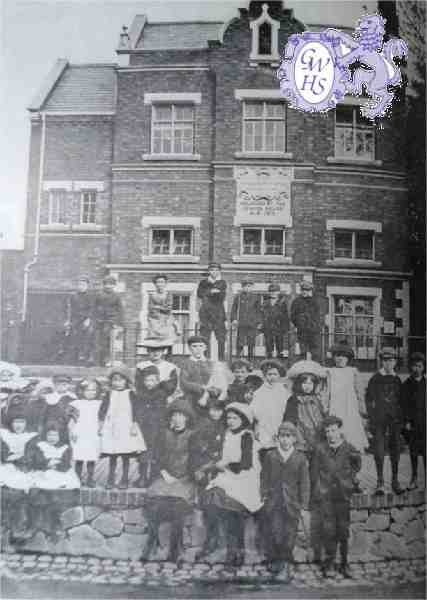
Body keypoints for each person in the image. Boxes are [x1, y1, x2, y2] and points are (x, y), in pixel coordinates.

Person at [201, 402, 262, 567]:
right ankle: (216, 542)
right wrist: (215, 464)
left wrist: (224, 465)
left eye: (235, 418)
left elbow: (246, 463)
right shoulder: (226, 434)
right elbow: (219, 454)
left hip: (244, 477)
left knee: (232, 507)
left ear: (242, 420)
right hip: (227, 475)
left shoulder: (246, 436)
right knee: (211, 497)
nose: (231, 421)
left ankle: (237, 551)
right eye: (228, 417)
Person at [141, 397, 196, 563]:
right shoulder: (164, 434)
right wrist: (163, 472)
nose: (177, 419)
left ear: (187, 418)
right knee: (153, 501)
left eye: (181, 415)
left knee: (178, 505)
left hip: (185, 478)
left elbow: (196, 460)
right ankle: (151, 543)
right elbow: (157, 456)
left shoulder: (193, 435)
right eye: (174, 415)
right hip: (166, 476)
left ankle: (175, 548)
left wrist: (187, 476)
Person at [311, 416, 362, 578]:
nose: (331, 434)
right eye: (328, 431)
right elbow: (314, 472)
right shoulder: (320, 449)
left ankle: (345, 563)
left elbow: (357, 464)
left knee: (343, 529)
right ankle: (329, 563)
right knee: (328, 529)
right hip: (326, 495)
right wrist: (318, 489)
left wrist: (350, 480)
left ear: (340, 430)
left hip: (342, 495)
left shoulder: (349, 448)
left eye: (334, 430)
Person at [260, 421, 310, 580]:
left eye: (288, 437)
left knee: (290, 534)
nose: (285, 440)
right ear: (278, 438)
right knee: (276, 532)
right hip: (274, 502)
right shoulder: (271, 456)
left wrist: (304, 504)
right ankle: (277, 560)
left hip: (292, 503)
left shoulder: (300, 458)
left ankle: (285, 565)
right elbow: (264, 477)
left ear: (294, 439)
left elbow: (305, 483)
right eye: (282, 436)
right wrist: (264, 494)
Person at [27, 421, 80, 543]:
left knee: (58, 490)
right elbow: (37, 461)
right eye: (49, 435)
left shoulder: (65, 447)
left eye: (55, 435)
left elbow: (66, 464)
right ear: (45, 435)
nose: (52, 438)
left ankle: (56, 523)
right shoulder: (41, 446)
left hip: (61, 474)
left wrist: (57, 465)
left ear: (60, 436)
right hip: (44, 473)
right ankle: (44, 523)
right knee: (40, 489)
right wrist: (47, 463)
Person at [98, 364, 146, 489]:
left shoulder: (131, 394)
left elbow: (137, 410)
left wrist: (135, 424)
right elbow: (103, 409)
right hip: (112, 427)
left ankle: (124, 479)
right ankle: (110, 479)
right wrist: (101, 424)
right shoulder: (109, 394)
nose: (118, 383)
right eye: (115, 380)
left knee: (125, 454)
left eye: (121, 380)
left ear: (126, 381)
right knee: (112, 455)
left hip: (126, 426)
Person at [191, 394, 226, 561]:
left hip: (221, 469)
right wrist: (200, 468)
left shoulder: (226, 427)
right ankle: (211, 537)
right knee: (205, 496)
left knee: (215, 497)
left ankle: (215, 538)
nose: (215, 413)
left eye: (219, 410)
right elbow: (197, 449)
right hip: (205, 468)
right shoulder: (203, 426)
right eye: (212, 410)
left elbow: (223, 455)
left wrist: (209, 464)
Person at [365, 348, 404, 495]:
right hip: (379, 421)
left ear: (395, 362)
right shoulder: (375, 379)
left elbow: (401, 400)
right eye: (386, 360)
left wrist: (400, 417)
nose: (388, 363)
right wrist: (372, 416)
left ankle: (395, 480)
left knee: (395, 449)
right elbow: (368, 399)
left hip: (394, 421)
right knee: (379, 450)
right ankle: (380, 481)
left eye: (391, 360)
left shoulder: (397, 379)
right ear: (381, 361)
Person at [0, 410, 38, 542]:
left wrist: (20, 460)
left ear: (26, 424)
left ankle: (20, 527)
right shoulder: (5, 435)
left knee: (24, 489)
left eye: (22, 422)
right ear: (11, 423)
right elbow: (3, 453)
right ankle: (13, 527)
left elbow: (32, 455)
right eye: (16, 422)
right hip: (7, 467)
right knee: (9, 489)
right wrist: (8, 458)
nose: (18, 425)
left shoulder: (31, 436)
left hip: (24, 468)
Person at [326, 344, 369, 453]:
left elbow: (360, 393)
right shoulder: (330, 372)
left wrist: (362, 410)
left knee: (351, 433)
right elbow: (326, 392)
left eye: (343, 356)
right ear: (333, 357)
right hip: (335, 407)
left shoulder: (353, 371)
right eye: (337, 356)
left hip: (350, 408)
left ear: (348, 359)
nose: (340, 358)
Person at [133, 364, 170, 488]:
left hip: (157, 428)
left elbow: (160, 411)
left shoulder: (161, 394)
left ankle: (153, 477)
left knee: (156, 453)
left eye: (152, 380)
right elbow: (137, 410)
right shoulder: (140, 394)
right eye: (146, 380)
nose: (149, 383)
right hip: (144, 428)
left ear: (158, 381)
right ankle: (142, 476)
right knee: (143, 453)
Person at [180, 335, 228, 422]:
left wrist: (215, 389)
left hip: (210, 399)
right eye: (194, 346)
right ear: (189, 348)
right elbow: (184, 383)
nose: (198, 349)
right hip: (192, 399)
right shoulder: (185, 364)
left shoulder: (211, 363)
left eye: (201, 346)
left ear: (205, 347)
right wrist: (201, 387)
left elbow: (218, 380)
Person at [68, 378, 103, 488]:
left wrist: (101, 429)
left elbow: (102, 419)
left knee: (91, 457)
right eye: (88, 390)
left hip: (93, 432)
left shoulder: (99, 403)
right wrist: (72, 431)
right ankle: (77, 478)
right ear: (81, 391)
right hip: (80, 432)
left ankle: (90, 478)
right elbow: (71, 420)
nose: (91, 392)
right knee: (79, 456)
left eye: (94, 390)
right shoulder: (76, 403)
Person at [250, 359, 290, 452]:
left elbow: (286, 407)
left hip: (278, 421)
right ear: (264, 376)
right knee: (265, 447)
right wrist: (257, 425)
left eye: (275, 374)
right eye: (269, 374)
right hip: (264, 424)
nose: (272, 377)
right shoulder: (260, 392)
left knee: (279, 446)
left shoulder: (283, 391)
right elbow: (254, 410)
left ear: (279, 375)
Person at [27, 374, 78, 444]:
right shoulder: (49, 398)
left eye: (64, 384)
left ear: (68, 385)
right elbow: (43, 414)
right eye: (58, 385)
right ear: (55, 385)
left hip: (66, 427)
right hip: (50, 427)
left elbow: (75, 415)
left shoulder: (72, 398)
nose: (61, 387)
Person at [401, 352, 426, 490]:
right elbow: (404, 405)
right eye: (414, 366)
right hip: (413, 424)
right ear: (410, 367)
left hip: (425, 423)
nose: (417, 369)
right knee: (414, 452)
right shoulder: (406, 385)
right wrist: (407, 421)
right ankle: (414, 478)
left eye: (420, 366)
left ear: (423, 367)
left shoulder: (425, 384)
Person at [197, 263, 227, 361]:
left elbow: (222, 296)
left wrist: (209, 293)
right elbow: (200, 294)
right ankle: (206, 358)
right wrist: (211, 292)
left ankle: (221, 359)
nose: (214, 272)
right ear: (209, 271)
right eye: (212, 270)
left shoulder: (222, 282)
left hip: (218, 314)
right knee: (205, 338)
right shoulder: (203, 282)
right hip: (206, 314)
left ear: (219, 271)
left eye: (216, 270)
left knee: (221, 338)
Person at [136, 338, 178, 402]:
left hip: (162, 400)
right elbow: (139, 385)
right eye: (152, 350)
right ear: (148, 351)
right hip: (145, 399)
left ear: (163, 351)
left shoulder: (170, 367)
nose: (155, 353)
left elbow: (171, 387)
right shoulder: (141, 366)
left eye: (159, 350)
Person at [94, 276, 124, 367]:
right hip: (100, 321)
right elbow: (94, 307)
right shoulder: (99, 295)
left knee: (110, 343)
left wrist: (117, 322)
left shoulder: (116, 296)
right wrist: (96, 318)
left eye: (110, 284)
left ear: (114, 285)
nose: (108, 286)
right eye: (106, 284)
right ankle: (99, 362)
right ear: (104, 285)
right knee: (99, 342)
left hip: (111, 322)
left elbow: (120, 310)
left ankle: (109, 361)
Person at [66, 276, 95, 365]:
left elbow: (92, 309)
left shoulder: (91, 296)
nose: (81, 286)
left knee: (89, 335)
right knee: (74, 337)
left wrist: (88, 319)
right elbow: (69, 309)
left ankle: (88, 357)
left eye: (83, 285)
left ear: (87, 286)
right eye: (79, 285)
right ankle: (75, 358)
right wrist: (68, 320)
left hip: (86, 319)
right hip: (76, 319)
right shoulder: (73, 296)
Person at [290, 280, 321, 361]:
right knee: (303, 350)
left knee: (315, 351)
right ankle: (303, 367)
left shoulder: (315, 301)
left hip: (313, 330)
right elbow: (292, 316)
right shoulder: (296, 301)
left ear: (310, 291)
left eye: (306, 290)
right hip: (302, 330)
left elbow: (319, 316)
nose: (304, 292)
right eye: (303, 290)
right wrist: (298, 324)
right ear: (301, 290)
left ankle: (315, 368)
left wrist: (315, 326)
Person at [230, 280, 261, 360]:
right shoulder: (238, 297)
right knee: (240, 344)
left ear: (252, 287)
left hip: (252, 324)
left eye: (249, 286)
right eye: (245, 286)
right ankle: (238, 361)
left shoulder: (256, 297)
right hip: (241, 324)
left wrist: (259, 322)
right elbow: (234, 309)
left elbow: (259, 311)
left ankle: (250, 362)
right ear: (243, 287)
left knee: (251, 344)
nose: (247, 288)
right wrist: (234, 319)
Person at [146, 274, 179, 341]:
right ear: (155, 284)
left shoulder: (168, 295)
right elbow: (150, 307)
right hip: (155, 317)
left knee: (169, 332)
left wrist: (158, 307)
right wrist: (156, 311)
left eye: (162, 282)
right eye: (158, 282)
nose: (159, 284)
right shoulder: (152, 295)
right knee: (153, 330)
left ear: (165, 284)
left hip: (166, 317)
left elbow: (168, 307)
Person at [260, 284, 289, 359]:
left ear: (278, 292)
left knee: (280, 346)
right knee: (269, 347)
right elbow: (262, 315)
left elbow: (285, 316)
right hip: (268, 327)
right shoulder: (265, 303)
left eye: (275, 291)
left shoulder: (282, 303)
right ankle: (269, 363)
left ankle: (279, 363)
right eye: (271, 291)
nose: (273, 293)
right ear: (269, 292)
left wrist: (285, 327)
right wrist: (262, 325)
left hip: (278, 327)